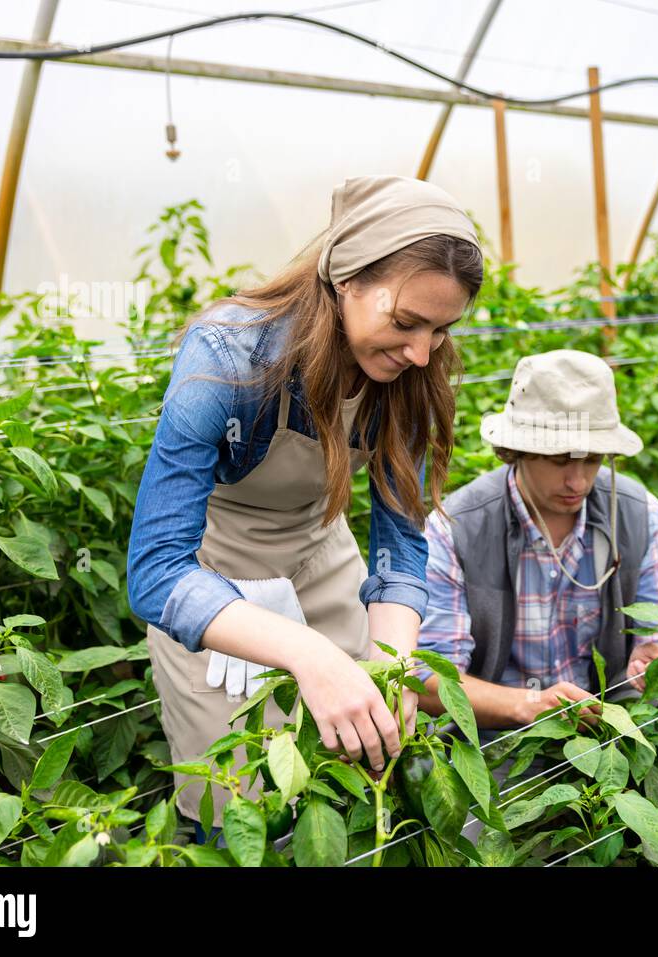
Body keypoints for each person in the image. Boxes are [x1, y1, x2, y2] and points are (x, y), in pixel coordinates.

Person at [126, 174, 484, 834]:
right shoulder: (226, 358)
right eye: (405, 323)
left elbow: (401, 546)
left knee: (371, 761)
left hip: (320, 556)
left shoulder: (410, 373)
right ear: (346, 278)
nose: (421, 352)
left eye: (441, 328)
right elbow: (154, 573)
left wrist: (394, 665)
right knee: (241, 803)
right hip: (214, 575)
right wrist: (308, 653)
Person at [414, 349, 658, 733]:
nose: (577, 481)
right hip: (494, 743)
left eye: (592, 459)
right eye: (560, 460)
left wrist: (654, 654)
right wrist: (529, 706)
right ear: (518, 451)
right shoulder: (456, 529)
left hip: (607, 732)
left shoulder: (639, 515)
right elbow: (430, 679)